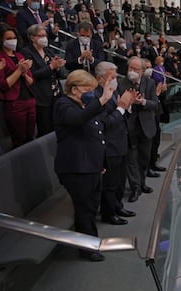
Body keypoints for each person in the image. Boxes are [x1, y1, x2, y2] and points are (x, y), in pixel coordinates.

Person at [54, 69, 118, 261]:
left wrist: (102, 162)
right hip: (76, 169)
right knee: (85, 209)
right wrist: (100, 100)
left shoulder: (84, 105)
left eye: (93, 88)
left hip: (91, 166)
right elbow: (76, 122)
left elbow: (97, 135)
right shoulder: (64, 104)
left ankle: (93, 241)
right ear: (74, 89)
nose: (91, 92)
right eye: (87, 88)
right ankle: (87, 248)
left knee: (91, 207)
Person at [94, 62, 136, 225]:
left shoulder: (113, 91)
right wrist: (121, 108)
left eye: (115, 77)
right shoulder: (98, 96)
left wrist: (128, 106)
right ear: (100, 78)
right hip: (110, 146)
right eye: (112, 77)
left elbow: (122, 113)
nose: (115, 80)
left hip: (121, 143)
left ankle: (118, 206)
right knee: (110, 184)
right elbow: (105, 123)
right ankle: (109, 213)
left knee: (120, 181)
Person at [118, 57, 159, 203]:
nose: (133, 72)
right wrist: (128, 103)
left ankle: (142, 183)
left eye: (136, 69)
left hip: (146, 127)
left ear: (142, 71)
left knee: (144, 158)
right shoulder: (121, 83)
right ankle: (135, 187)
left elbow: (155, 104)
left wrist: (142, 102)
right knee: (132, 159)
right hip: (129, 128)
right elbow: (119, 105)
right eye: (131, 68)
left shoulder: (150, 83)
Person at [0, 24, 35, 149]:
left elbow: (30, 81)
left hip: (29, 99)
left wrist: (23, 73)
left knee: (31, 137)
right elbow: (2, 85)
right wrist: (18, 71)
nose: (13, 40)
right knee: (19, 140)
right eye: (9, 38)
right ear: (0, 40)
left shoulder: (19, 56)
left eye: (14, 37)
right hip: (14, 103)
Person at [21, 24, 65, 137]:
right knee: (45, 129)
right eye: (40, 35)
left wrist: (58, 66)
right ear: (32, 38)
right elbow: (33, 75)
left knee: (58, 125)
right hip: (41, 96)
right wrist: (51, 67)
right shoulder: (26, 52)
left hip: (56, 93)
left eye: (45, 35)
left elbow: (58, 73)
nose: (44, 38)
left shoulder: (48, 51)